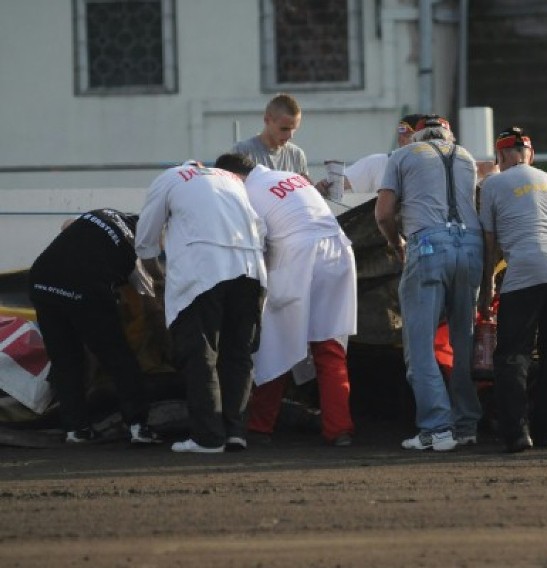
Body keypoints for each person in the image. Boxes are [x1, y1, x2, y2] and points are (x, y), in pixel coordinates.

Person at [214, 153, 357, 447]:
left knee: (274, 344)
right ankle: (339, 428)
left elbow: (256, 241)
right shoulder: (285, 177)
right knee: (329, 345)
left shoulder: (246, 192)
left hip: (297, 255)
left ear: (232, 176)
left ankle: (259, 426)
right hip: (338, 251)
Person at [135, 161, 267, 453]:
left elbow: (145, 236)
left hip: (202, 269)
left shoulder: (169, 178)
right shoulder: (232, 180)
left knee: (200, 353)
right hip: (250, 269)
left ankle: (208, 437)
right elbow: (261, 226)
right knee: (238, 354)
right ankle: (235, 432)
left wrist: (157, 276)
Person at [375, 114, 483, 451]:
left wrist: (396, 244)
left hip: (427, 245)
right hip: (471, 247)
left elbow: (383, 213)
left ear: (417, 135)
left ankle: (437, 429)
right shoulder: (465, 156)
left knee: (420, 346)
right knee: (462, 342)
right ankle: (466, 426)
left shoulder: (403, 155)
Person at [477, 127, 547, 453]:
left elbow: (489, 244)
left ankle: (517, 434)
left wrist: (485, 291)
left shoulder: (492, 183)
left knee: (512, 354)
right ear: (530, 154)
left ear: (501, 157)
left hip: (526, 267)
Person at [28, 209, 161, 445]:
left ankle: (76, 430)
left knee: (65, 359)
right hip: (84, 289)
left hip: (41, 281)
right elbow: (151, 304)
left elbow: (67, 225)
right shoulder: (134, 250)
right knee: (118, 358)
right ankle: (139, 427)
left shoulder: (102, 213)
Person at [232, 93, 309, 177]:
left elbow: (304, 189)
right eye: (284, 129)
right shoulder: (243, 152)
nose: (290, 135)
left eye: (294, 129)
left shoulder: (297, 156)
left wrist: (318, 189)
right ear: (267, 120)